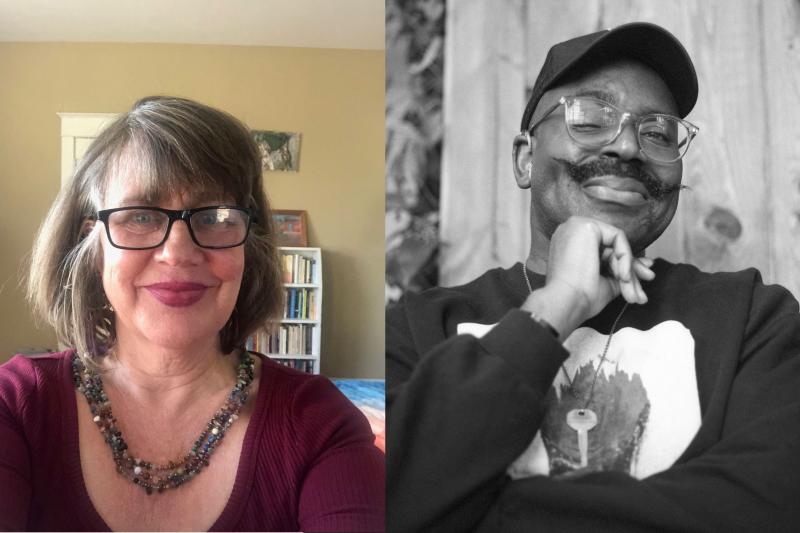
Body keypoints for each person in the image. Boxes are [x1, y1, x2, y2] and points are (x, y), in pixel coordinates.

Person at [387, 22, 800, 533]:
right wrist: (558, 303)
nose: (628, 145)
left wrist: (472, 512)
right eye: (589, 117)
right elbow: (386, 494)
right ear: (524, 159)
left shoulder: (755, 319)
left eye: (657, 132)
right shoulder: (416, 327)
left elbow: (770, 507)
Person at [0, 96, 385, 531]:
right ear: (93, 247)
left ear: (249, 245)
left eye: (216, 216)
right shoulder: (16, 404)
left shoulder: (320, 421)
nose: (177, 252)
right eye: (140, 215)